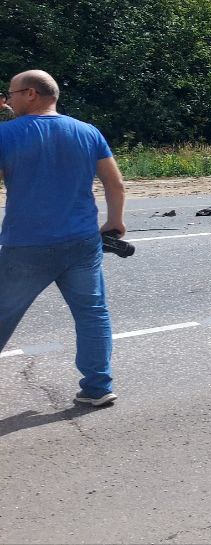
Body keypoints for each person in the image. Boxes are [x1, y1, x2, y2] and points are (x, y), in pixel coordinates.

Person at [0, 70, 126, 407]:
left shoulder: (5, 135)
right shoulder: (87, 132)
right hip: (82, 242)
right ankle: (98, 388)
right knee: (92, 313)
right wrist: (114, 222)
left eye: (10, 94)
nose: (7, 100)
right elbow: (115, 184)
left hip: (26, 245)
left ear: (30, 94)